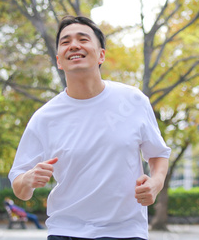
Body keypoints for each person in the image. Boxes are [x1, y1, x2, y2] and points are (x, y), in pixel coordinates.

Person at [9, 15, 171, 240]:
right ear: (59, 60)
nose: (74, 45)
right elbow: (19, 184)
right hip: (66, 231)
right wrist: (27, 180)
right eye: (65, 42)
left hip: (126, 232)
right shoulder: (45, 118)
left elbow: (158, 154)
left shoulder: (133, 100)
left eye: (83, 39)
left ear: (101, 54)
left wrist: (155, 182)